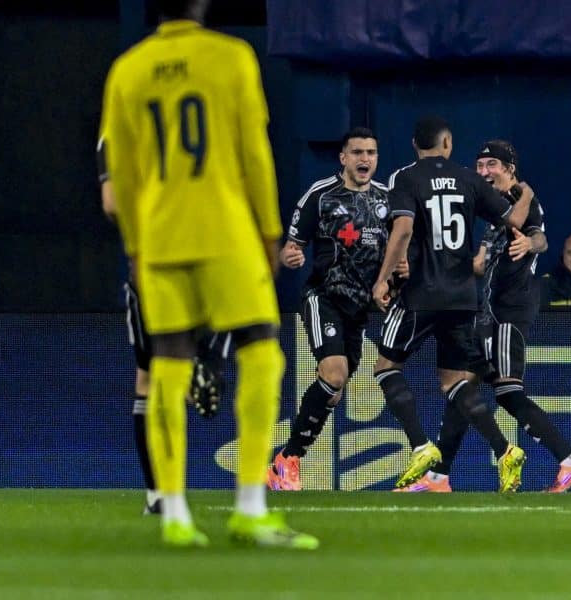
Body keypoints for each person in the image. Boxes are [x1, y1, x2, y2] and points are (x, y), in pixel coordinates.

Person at [99, 0, 316, 548]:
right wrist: (270, 231)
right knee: (262, 349)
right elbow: (254, 152)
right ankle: (248, 506)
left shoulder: (127, 69)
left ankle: (173, 513)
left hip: (159, 237)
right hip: (225, 231)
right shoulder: (231, 56)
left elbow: (120, 175)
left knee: (166, 367)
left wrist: (134, 246)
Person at [399, 140, 571, 493]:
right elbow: (480, 263)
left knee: (506, 391)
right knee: (462, 390)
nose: (485, 172)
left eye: (492, 165)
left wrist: (528, 245)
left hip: (509, 313)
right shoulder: (495, 212)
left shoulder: (523, 198)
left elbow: (540, 239)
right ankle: (438, 478)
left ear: (509, 169)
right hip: (486, 313)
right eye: (480, 166)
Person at [371, 117, 533, 492]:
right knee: (453, 381)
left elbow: (404, 228)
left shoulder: (405, 178)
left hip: (421, 295)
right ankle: (506, 450)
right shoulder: (468, 178)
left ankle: (421, 446)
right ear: (448, 144)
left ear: (416, 145)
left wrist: (383, 278)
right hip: (463, 298)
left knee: (385, 368)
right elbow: (517, 220)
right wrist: (524, 193)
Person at [98, 138, 229, 516]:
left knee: (148, 378)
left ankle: (159, 493)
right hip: (207, 254)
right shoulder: (199, 115)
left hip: (153, 267)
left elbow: (111, 202)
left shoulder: (118, 128)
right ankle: (206, 360)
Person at [268, 127, 393, 491]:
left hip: (359, 309)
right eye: (357, 152)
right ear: (343, 158)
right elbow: (292, 247)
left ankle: (286, 459)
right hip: (323, 296)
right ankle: (287, 461)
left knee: (333, 390)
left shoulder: (387, 199)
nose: (364, 159)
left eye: (370, 153)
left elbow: (399, 250)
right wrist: (289, 256)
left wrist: (397, 273)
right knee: (334, 374)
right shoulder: (320, 196)